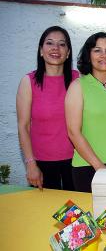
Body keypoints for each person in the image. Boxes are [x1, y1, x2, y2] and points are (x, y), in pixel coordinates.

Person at [65, 32, 106, 192]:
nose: (104, 55)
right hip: (88, 168)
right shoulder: (78, 86)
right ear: (89, 55)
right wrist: (100, 167)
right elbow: (73, 132)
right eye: (97, 50)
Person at [16, 26, 79, 190]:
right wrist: (30, 164)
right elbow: (23, 126)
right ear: (41, 51)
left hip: (77, 162)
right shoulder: (28, 82)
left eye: (62, 44)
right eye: (49, 43)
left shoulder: (78, 80)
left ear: (68, 52)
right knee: (44, 213)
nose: (55, 48)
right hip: (42, 165)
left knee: (76, 214)